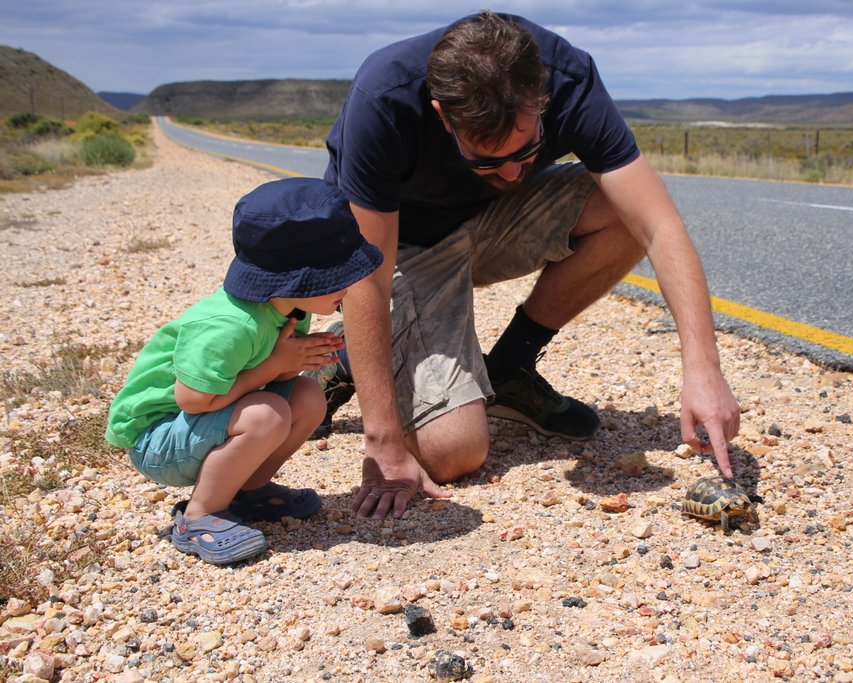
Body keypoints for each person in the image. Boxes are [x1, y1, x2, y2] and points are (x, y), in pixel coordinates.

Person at [322, 10, 740, 520]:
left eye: (526, 151)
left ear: (540, 98)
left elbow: (658, 225)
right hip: (401, 246)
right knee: (452, 451)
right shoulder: (384, 98)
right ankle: (348, 355)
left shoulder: (567, 77)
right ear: (443, 115)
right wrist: (383, 441)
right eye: (486, 160)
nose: (511, 173)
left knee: (625, 209)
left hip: (491, 221)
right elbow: (367, 275)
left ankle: (510, 368)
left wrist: (704, 369)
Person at [105, 177, 384, 564]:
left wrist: (295, 363)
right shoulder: (230, 325)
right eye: (338, 275)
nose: (351, 283)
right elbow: (193, 399)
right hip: (157, 438)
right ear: (295, 279)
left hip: (200, 423)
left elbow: (273, 381)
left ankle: (246, 492)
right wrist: (277, 363)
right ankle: (198, 515)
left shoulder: (288, 307)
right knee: (266, 415)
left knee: (307, 396)